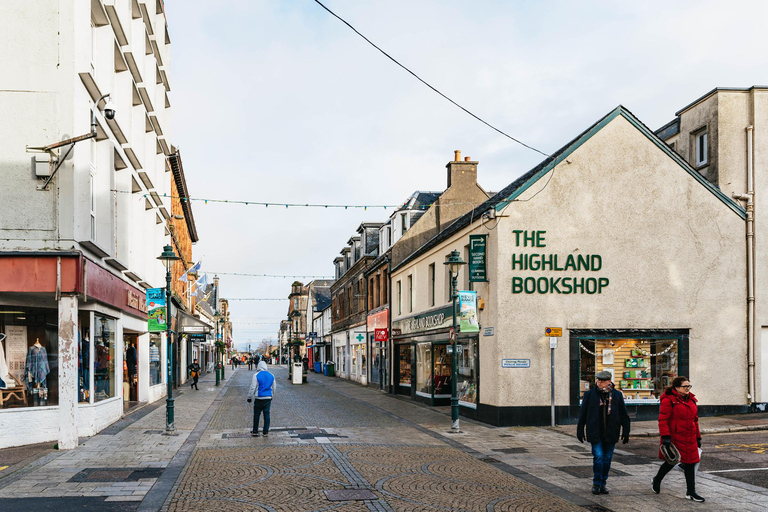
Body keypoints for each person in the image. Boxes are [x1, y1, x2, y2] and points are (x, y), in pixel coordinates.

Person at [577, 370, 631, 495]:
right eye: (598, 380)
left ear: (609, 382)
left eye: (602, 381)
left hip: (611, 432)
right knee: (599, 457)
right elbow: (583, 414)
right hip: (595, 432)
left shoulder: (617, 395)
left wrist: (626, 431)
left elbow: (624, 415)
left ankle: (603, 483)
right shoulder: (590, 395)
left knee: (607, 459)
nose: (599, 383)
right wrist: (580, 430)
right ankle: (596, 483)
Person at [652, 376, 704, 502]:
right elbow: (663, 419)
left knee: (691, 464)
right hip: (675, 436)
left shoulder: (692, 400)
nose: (688, 388)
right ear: (676, 387)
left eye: (689, 386)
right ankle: (657, 479)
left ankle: (691, 492)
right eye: (685, 386)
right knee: (672, 461)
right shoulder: (668, 399)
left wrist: (698, 437)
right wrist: (665, 436)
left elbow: (695, 421)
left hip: (690, 436)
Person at [247, 361, 275, 437]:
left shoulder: (256, 375)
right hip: (268, 397)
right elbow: (274, 387)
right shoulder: (271, 375)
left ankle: (255, 430)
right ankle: (265, 431)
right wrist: (272, 395)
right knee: (267, 414)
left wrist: (249, 397)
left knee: (256, 414)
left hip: (259, 397)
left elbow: (253, 387)